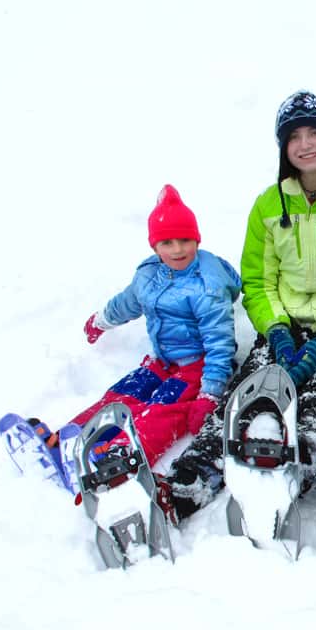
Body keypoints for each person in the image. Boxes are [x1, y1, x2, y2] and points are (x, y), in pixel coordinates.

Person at [165, 90, 316, 518]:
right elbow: (257, 279)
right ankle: (192, 478)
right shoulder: (269, 205)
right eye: (295, 137)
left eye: (314, 134)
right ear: (284, 148)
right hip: (286, 328)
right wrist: (275, 330)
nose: (306, 145)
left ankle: (298, 467)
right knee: (245, 396)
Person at [25, 184, 240, 484]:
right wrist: (101, 321)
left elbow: (220, 343)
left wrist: (209, 392)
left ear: (197, 240)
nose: (177, 250)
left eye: (185, 240)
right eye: (167, 242)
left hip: (198, 366)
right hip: (163, 361)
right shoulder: (149, 275)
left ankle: (119, 457)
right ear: (154, 247)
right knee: (123, 395)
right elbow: (128, 302)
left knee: (164, 408)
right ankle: (66, 441)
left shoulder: (208, 285)